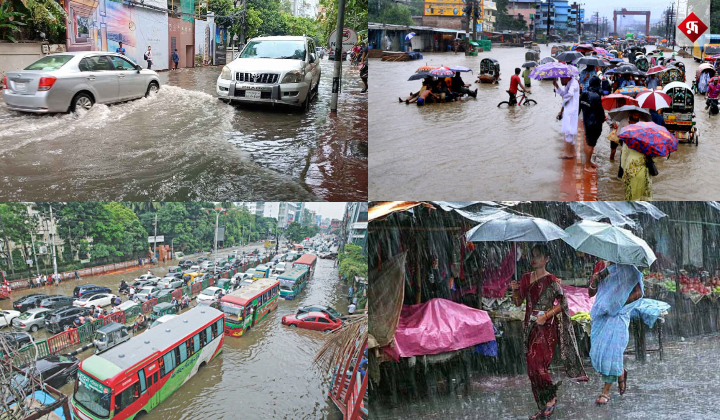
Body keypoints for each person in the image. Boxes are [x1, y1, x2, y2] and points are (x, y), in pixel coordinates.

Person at [510, 244, 588, 419]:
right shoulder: (524, 279)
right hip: (529, 328)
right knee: (531, 369)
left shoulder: (552, 281)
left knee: (538, 365)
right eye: (533, 255)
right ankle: (542, 405)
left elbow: (563, 304)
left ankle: (551, 397)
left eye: (538, 256)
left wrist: (546, 315)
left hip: (546, 329)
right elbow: (517, 302)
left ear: (547, 259)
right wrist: (515, 290)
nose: (534, 259)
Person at [588, 262, 644, 405]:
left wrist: (618, 303)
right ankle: (620, 372)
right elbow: (591, 293)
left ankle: (605, 392)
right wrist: (595, 280)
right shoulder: (602, 269)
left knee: (611, 353)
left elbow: (639, 293)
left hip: (618, 316)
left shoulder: (631, 270)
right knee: (597, 352)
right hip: (601, 316)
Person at [619, 110, 652, 200]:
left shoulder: (629, 141)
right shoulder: (648, 143)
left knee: (631, 196)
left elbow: (623, 159)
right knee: (644, 197)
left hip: (631, 171)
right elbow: (654, 159)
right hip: (645, 172)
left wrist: (624, 169)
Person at [579, 76, 606, 171]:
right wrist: (603, 118)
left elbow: (580, 108)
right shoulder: (595, 96)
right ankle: (587, 165)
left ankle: (588, 162)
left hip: (586, 122)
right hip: (594, 123)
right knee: (591, 144)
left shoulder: (584, 94)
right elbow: (600, 110)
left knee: (588, 142)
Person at [554, 75, 580, 159]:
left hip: (571, 110)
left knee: (568, 131)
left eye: (562, 78)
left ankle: (568, 153)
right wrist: (556, 85)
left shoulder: (574, 83)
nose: (561, 80)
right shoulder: (569, 83)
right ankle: (572, 152)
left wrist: (564, 101)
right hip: (569, 109)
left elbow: (570, 94)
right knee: (570, 131)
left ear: (567, 77)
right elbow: (564, 94)